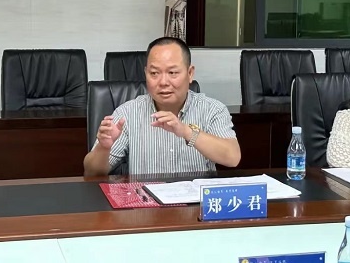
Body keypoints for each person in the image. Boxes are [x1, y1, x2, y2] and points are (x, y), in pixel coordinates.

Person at [84, 37, 241, 176]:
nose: (163, 82)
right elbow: (91, 172)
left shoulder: (212, 109)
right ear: (146, 73)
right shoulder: (127, 113)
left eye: (172, 73)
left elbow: (232, 158)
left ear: (190, 73)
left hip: (195, 199)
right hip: (145, 198)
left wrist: (186, 131)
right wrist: (103, 149)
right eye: (154, 73)